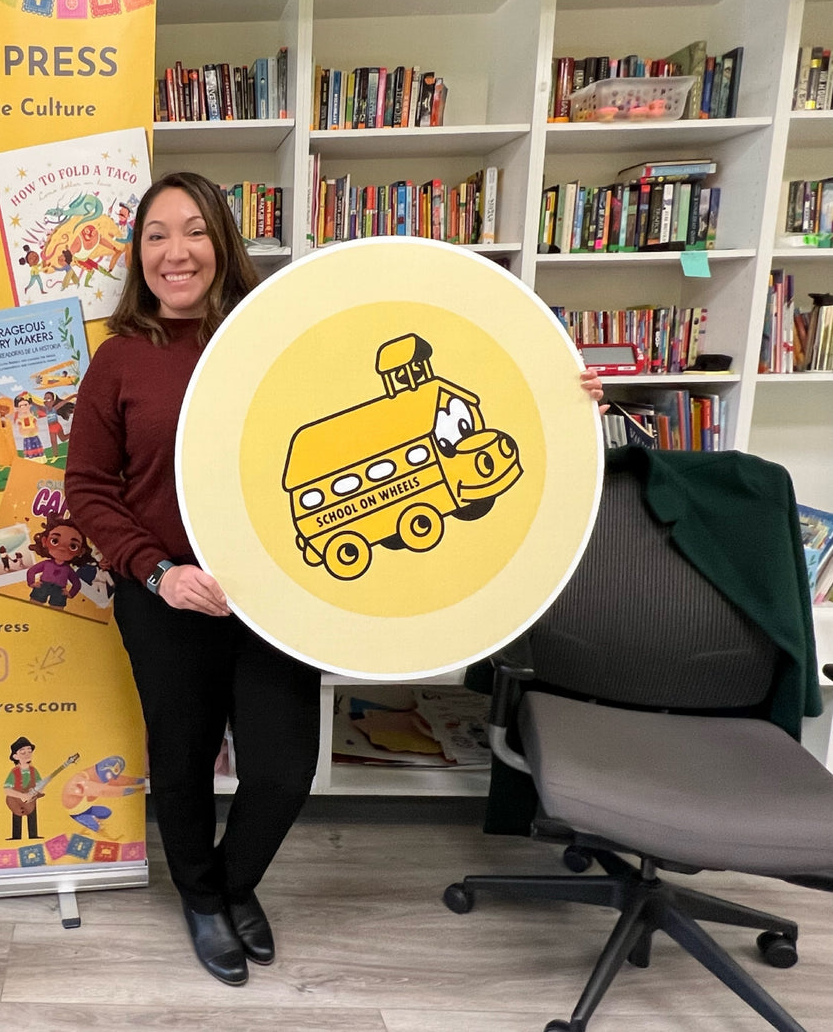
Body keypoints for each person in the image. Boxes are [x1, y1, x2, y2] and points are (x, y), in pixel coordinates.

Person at [65, 171, 605, 987]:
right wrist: (159, 570)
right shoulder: (119, 357)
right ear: (137, 254)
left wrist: (561, 400)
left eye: (194, 230)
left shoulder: (285, 336)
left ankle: (232, 881)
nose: (176, 252)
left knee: (283, 768)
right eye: (156, 235)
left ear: (223, 242)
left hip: (279, 601)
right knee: (180, 760)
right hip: (170, 597)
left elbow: (415, 384)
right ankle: (201, 897)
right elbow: (91, 488)